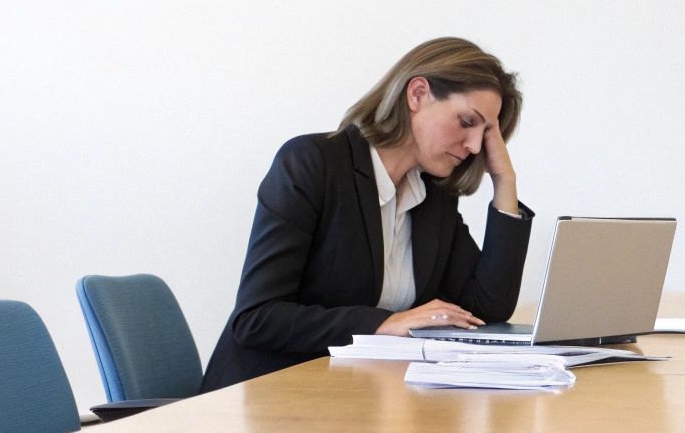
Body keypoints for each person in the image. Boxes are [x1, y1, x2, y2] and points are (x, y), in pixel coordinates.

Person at [198, 37, 532, 392]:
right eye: (467, 121)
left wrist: (504, 182)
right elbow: (257, 318)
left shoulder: (432, 197)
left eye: (486, 134)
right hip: (266, 400)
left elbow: (488, 308)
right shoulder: (313, 164)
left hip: (354, 400)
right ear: (417, 94)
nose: (475, 146)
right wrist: (384, 323)